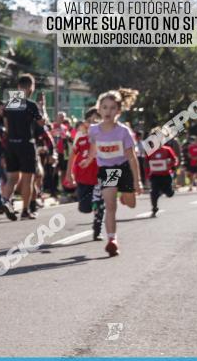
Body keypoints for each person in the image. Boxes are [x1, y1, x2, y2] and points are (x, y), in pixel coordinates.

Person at [80, 89, 142, 257]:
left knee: (131, 204)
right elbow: (94, 147)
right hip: (109, 170)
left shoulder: (123, 131)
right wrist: (89, 159)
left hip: (123, 167)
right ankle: (112, 240)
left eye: (113, 108)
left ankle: (125, 194)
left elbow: (132, 157)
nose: (108, 111)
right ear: (99, 109)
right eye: (105, 107)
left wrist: (137, 181)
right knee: (110, 206)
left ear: (119, 111)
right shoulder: (94, 130)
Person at [0, 74, 45, 221]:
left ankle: (6, 201)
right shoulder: (31, 105)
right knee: (28, 178)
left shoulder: (9, 104)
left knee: (12, 177)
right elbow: (41, 124)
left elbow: (6, 125)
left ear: (18, 87)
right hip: (26, 143)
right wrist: (41, 109)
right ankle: (25, 210)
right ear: (31, 87)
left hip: (11, 143)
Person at [65, 107, 105, 240]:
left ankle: (97, 229)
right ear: (85, 122)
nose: (93, 123)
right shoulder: (80, 137)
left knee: (101, 203)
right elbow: (72, 156)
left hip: (100, 177)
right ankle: (94, 207)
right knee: (84, 208)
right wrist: (68, 174)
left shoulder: (105, 136)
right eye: (90, 120)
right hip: (83, 177)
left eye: (97, 120)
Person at [145, 129, 179, 217]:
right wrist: (147, 175)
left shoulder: (167, 150)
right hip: (155, 176)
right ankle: (154, 209)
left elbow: (174, 159)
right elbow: (146, 164)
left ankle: (164, 190)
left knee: (169, 194)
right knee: (153, 192)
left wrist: (172, 164)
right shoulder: (150, 152)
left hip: (166, 175)